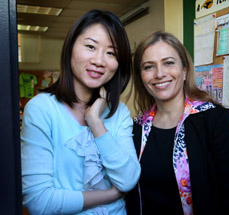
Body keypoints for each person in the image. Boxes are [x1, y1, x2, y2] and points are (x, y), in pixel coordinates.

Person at [21, 9, 141, 215]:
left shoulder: (118, 112)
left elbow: (128, 179)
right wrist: (111, 194)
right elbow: (38, 201)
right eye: (90, 47)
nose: (99, 60)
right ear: (70, 48)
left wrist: (95, 121)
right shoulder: (41, 109)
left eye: (111, 53)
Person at [125, 31, 229, 215]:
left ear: (184, 70)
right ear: (141, 77)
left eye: (168, 63)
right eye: (149, 67)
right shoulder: (136, 128)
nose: (159, 74)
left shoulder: (216, 120)